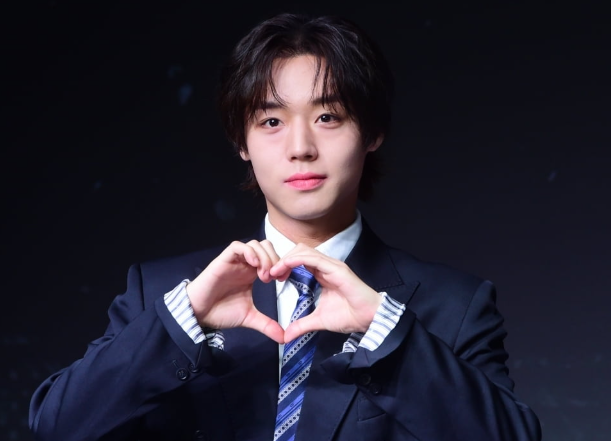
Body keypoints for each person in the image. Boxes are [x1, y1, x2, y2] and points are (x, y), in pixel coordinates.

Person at [29, 13, 542, 441]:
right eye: (271, 121)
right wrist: (184, 321)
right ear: (241, 142)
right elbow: (57, 427)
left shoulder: (454, 305)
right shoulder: (164, 292)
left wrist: (385, 331)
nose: (301, 147)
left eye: (329, 117)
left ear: (373, 132)